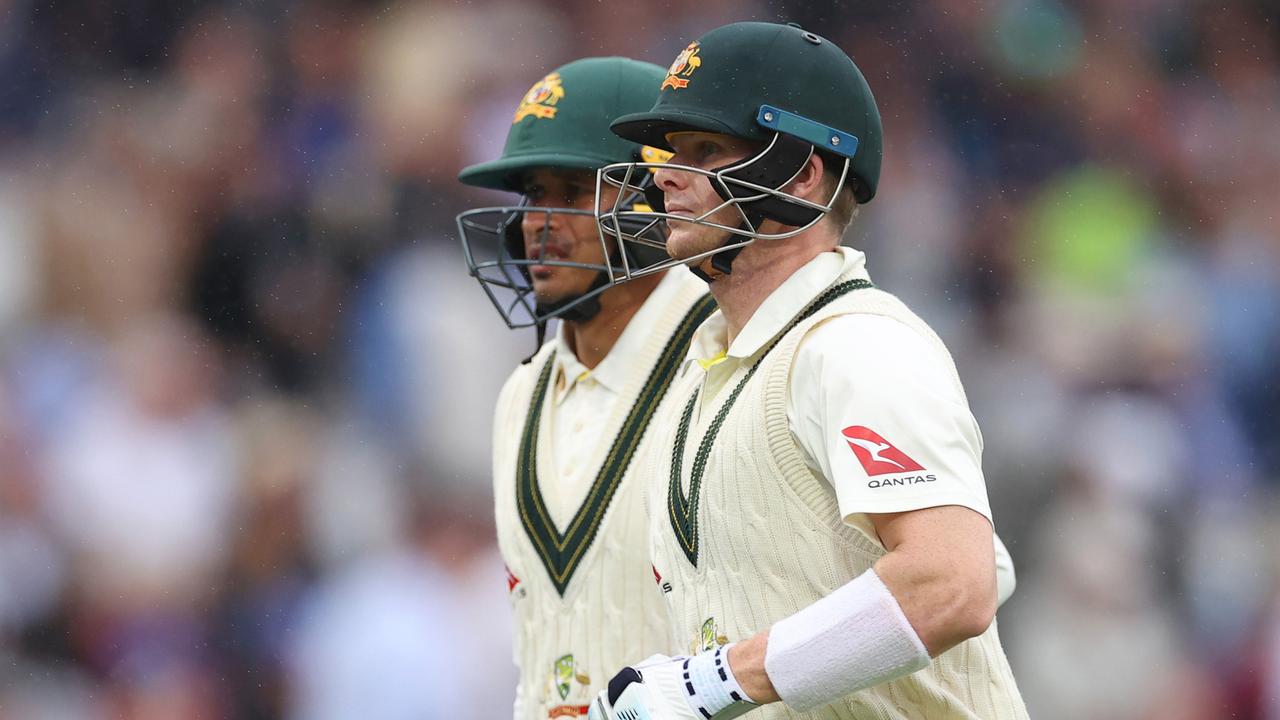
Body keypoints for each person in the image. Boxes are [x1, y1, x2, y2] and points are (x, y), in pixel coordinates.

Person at [588, 22, 1028, 720]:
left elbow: (954, 584)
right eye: (670, 150)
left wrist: (713, 682)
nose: (663, 174)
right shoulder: (713, 367)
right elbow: (982, 563)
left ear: (800, 174)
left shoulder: (854, 345)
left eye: (704, 149)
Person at [455, 56, 717, 719]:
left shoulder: (733, 354)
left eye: (571, 192)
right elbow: (544, 645)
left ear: (655, 194)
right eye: (531, 195)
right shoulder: (521, 395)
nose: (537, 222)